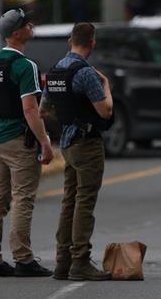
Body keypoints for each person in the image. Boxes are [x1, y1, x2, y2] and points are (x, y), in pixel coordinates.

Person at [0, 8, 54, 278]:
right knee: (23, 198)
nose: (30, 25)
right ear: (16, 33)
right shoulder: (25, 66)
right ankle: (23, 258)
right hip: (19, 140)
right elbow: (30, 109)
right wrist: (44, 142)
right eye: (26, 24)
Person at [43, 22, 115, 281]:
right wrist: (105, 86)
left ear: (69, 40)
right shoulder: (85, 73)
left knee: (69, 202)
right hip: (87, 143)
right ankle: (80, 261)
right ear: (92, 43)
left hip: (67, 143)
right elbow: (105, 111)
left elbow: (44, 109)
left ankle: (63, 261)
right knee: (84, 202)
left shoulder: (55, 71)